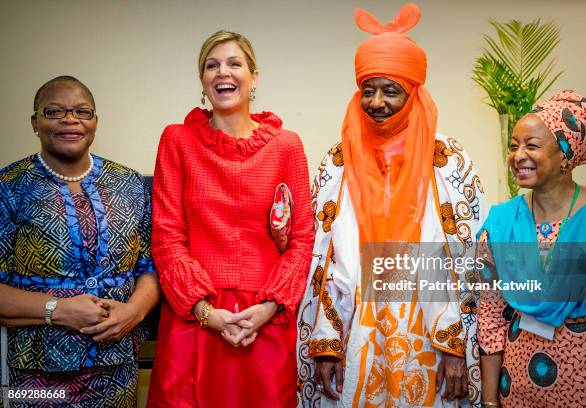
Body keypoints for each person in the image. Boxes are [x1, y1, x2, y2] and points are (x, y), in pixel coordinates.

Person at [297, 4, 488, 407]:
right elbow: (325, 257)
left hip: (428, 332)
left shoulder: (449, 161)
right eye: (368, 90)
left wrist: (455, 347)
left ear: (414, 92)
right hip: (356, 329)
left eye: (390, 90)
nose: (377, 102)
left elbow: (467, 258)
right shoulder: (337, 162)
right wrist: (326, 342)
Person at [146, 31, 314, 407]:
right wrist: (208, 314)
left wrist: (269, 308)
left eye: (234, 63)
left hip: (265, 319)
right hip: (195, 317)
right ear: (203, 82)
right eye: (212, 65)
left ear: (254, 77)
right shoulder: (177, 140)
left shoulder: (287, 146)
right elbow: (167, 237)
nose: (223, 72)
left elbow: (303, 240)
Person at [0, 75, 160, 407]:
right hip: (36, 375)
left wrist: (134, 311)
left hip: (117, 368)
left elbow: (150, 266)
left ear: (95, 122)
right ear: (35, 122)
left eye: (82, 111)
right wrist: (59, 311)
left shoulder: (128, 182)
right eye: (54, 111)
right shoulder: (9, 186)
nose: (70, 119)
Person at [477, 90, 586, 407]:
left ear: (565, 153)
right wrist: (490, 399)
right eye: (514, 146)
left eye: (531, 145)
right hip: (521, 389)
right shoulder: (501, 223)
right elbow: (491, 320)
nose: (518, 155)